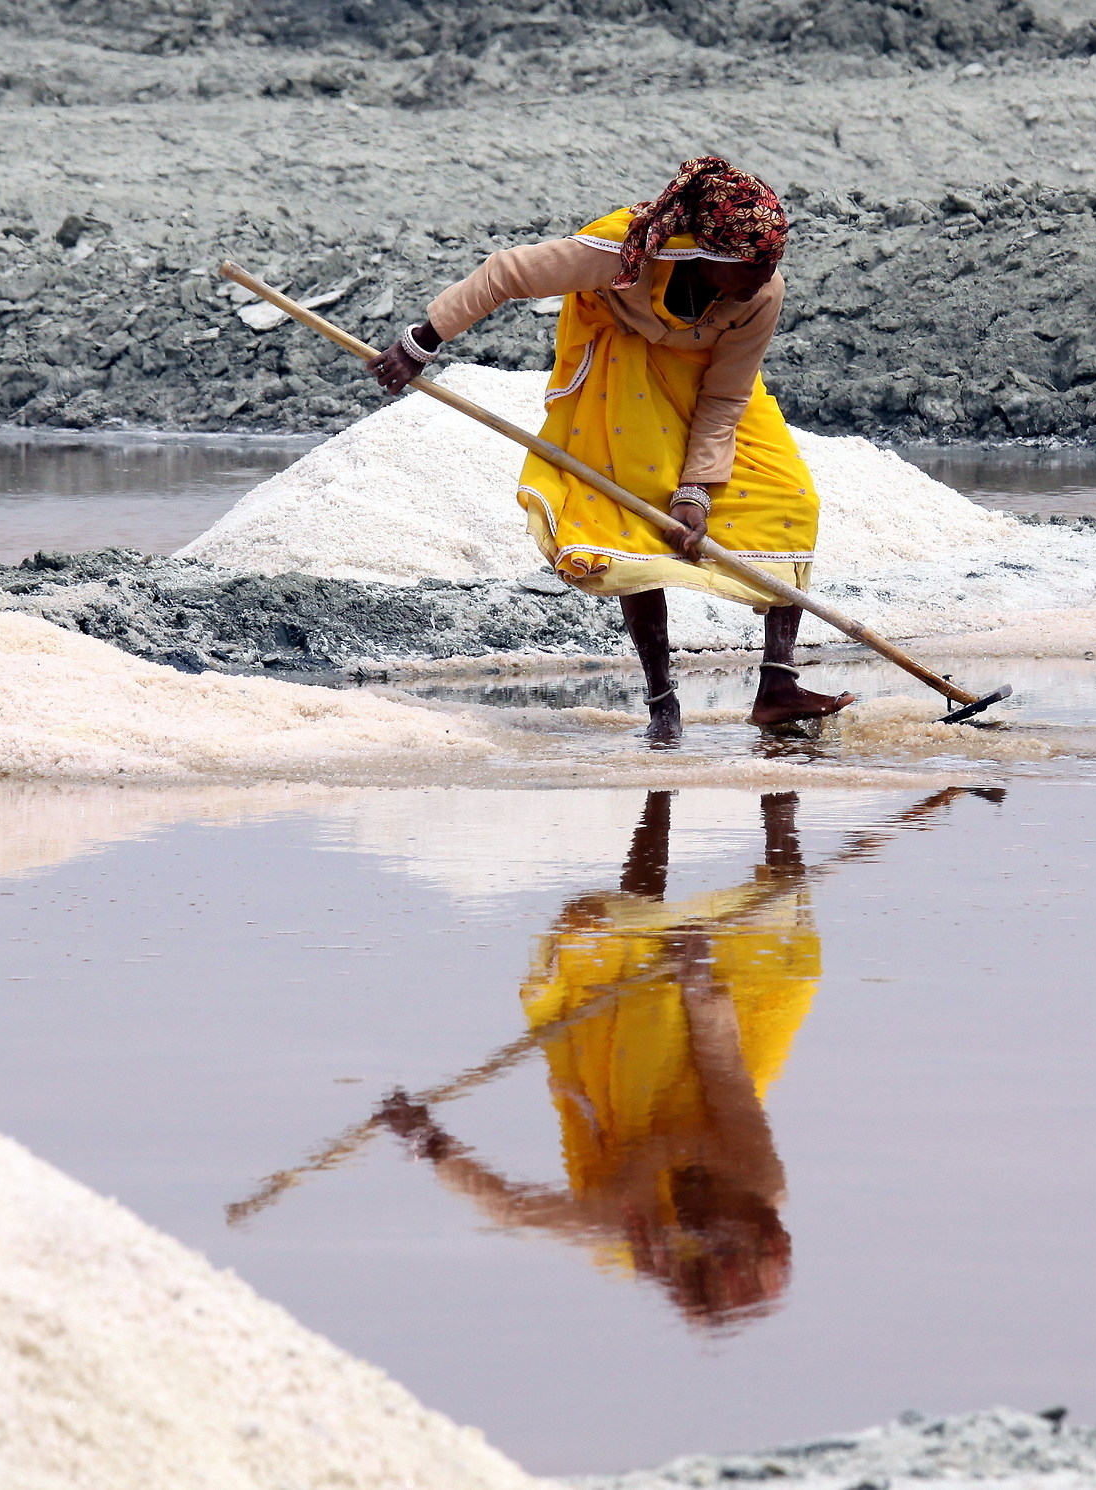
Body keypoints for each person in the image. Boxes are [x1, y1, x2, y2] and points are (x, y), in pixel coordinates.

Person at [368, 157, 854, 744]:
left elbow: (726, 396)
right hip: (623, 365)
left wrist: (697, 491)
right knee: (634, 513)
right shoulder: (626, 249)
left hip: (705, 382)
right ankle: (662, 702)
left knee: (790, 496)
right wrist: (421, 342)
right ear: (708, 254)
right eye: (753, 266)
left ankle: (777, 685)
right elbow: (507, 273)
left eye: (772, 263)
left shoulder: (760, 293)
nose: (766, 276)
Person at [375, 791, 815, 1330]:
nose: (715, 1208)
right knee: (779, 942)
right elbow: (726, 1072)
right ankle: (780, 810)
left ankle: (662, 800)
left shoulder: (623, 1222)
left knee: (623, 951)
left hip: (627, 1100)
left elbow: (511, 1208)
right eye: (732, 1221)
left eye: (710, 1224)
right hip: (705, 1093)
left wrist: (426, 1141)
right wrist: (699, 980)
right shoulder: (760, 1181)